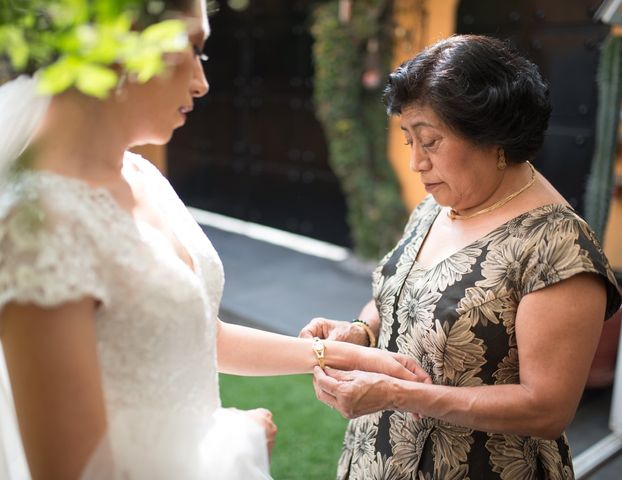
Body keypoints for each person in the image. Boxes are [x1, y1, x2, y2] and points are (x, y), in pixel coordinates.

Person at [0, 1, 428, 479]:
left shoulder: (142, 174)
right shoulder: (37, 228)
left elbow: (200, 333)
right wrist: (234, 443)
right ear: (123, 44)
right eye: (196, 50)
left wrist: (339, 353)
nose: (203, 83)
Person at [300, 34, 622, 479]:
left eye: (429, 141)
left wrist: (399, 395)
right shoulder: (438, 205)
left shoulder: (556, 247)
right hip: (380, 455)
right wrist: (358, 331)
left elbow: (546, 407)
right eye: (407, 138)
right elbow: (405, 291)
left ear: (494, 138)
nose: (415, 162)